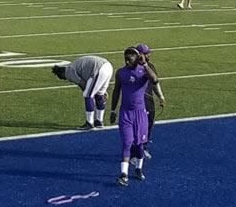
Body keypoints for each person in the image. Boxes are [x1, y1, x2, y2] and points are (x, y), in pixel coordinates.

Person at [107, 46, 159, 187]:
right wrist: (113, 111)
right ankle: (123, 175)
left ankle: (138, 168)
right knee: (127, 143)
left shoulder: (143, 72)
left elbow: (154, 80)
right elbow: (116, 91)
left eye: (131, 56)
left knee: (139, 145)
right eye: (126, 57)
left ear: (137, 58)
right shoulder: (121, 73)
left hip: (140, 114)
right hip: (126, 113)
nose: (128, 59)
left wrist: (145, 64)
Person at [51, 54, 115, 129]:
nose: (65, 79)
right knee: (99, 94)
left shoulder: (68, 72)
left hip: (98, 68)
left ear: (61, 73)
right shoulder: (73, 66)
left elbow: (82, 84)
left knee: (87, 95)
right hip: (108, 66)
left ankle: (89, 123)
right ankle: (99, 121)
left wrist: (90, 94)